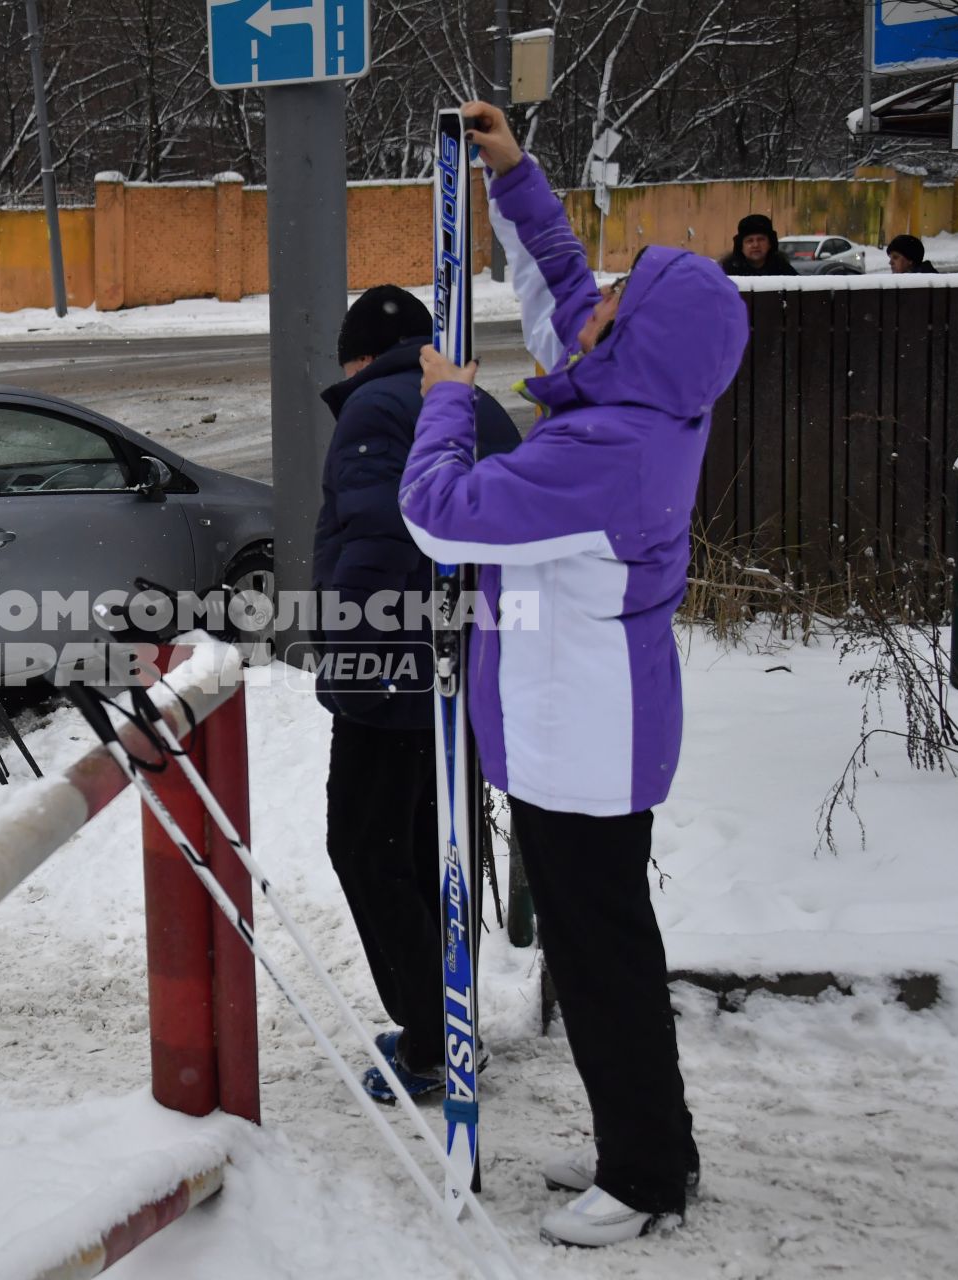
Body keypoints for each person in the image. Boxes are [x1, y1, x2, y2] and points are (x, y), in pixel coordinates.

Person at [399, 101, 748, 1248]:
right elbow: (566, 290)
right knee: (609, 950)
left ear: (633, 344)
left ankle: (644, 1174)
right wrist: (515, 173)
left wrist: (448, 399)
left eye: (620, 307)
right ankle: (646, 1143)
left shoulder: (602, 452)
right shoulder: (638, 398)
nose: (596, 309)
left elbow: (441, 516)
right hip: (590, 730)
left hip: (582, 746)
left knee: (602, 963)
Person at [312, 284, 517, 1104]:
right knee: (440, 849)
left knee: (368, 847)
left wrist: (354, 676)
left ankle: (431, 1041)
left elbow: (371, 547)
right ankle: (451, 1024)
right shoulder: (475, 405)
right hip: (470, 661)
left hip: (397, 675)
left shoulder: (373, 409)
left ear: (357, 356)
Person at [719, 212, 799, 277]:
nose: (756, 245)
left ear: (770, 243)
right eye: (750, 241)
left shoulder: (782, 269)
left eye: (761, 239)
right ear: (741, 246)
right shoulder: (728, 272)